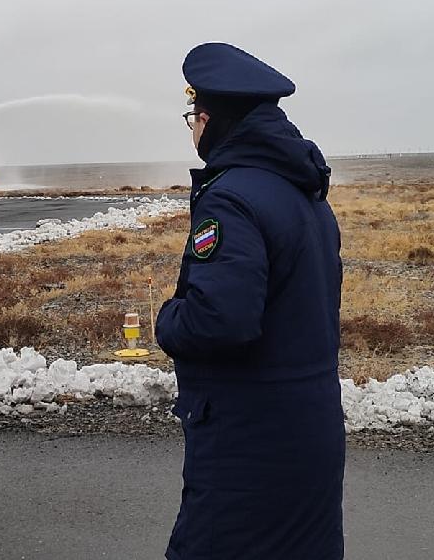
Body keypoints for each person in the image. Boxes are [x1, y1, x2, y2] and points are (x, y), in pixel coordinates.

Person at [156, 43, 345, 559]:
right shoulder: (303, 193)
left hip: (249, 437)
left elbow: (220, 320)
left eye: (192, 116)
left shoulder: (230, 197)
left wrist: (168, 320)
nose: (191, 127)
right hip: (310, 425)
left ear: (213, 120)